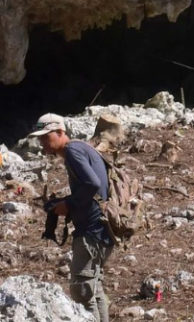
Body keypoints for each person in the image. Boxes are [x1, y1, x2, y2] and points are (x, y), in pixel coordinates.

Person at [30, 113, 114, 322]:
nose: (42, 142)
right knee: (93, 289)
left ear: (60, 132)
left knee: (82, 291)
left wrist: (68, 204)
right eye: (39, 138)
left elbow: (92, 184)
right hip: (103, 228)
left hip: (92, 230)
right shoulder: (81, 147)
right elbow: (94, 187)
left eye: (45, 136)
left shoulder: (72, 151)